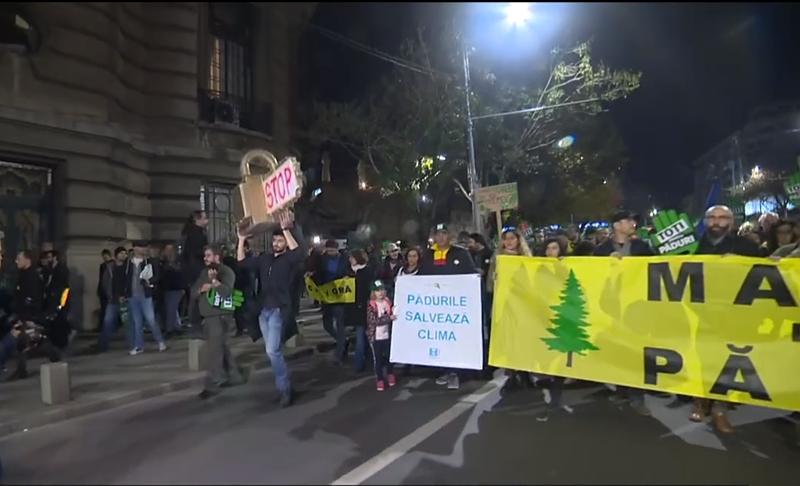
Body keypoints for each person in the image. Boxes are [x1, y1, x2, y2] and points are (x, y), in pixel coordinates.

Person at [690, 205, 761, 433]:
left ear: (731, 222)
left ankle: (720, 408)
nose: (716, 222)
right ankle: (700, 401)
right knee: (703, 357)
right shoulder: (691, 247)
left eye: (722, 218)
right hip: (701, 313)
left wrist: (740, 262)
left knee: (728, 362)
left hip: (734, 316)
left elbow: (767, 271)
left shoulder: (746, 246)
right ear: (705, 221)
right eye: (711, 217)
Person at [236, 210, 305, 408]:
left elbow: (299, 253)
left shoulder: (289, 260)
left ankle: (284, 390)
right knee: (272, 352)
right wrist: (241, 239)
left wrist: (286, 230)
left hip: (277, 311)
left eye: (280, 241)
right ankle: (284, 387)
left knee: (272, 350)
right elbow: (242, 263)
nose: (276, 243)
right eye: (275, 240)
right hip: (263, 312)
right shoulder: (264, 259)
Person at [593, 210, 654, 416]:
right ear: (617, 225)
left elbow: (656, 269)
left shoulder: (642, 247)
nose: (632, 224)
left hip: (637, 306)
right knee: (617, 349)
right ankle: (621, 389)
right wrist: (606, 264)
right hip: (611, 307)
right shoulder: (601, 250)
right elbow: (591, 275)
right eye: (628, 221)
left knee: (636, 351)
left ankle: (637, 396)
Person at [419, 223, 477, 390]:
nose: (441, 237)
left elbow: (470, 276)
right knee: (440, 338)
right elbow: (421, 277)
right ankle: (445, 370)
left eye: (444, 233)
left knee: (455, 338)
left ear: (449, 236)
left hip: (456, 307)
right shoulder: (428, 255)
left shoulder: (461, 253)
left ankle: (457, 372)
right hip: (437, 308)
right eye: (438, 234)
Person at [194, 245, 245, 400]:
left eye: (208, 255)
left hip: (220, 316)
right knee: (221, 347)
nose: (205, 258)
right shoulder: (203, 272)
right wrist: (201, 289)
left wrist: (214, 283)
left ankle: (213, 383)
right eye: (205, 256)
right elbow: (193, 291)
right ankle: (235, 376)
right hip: (208, 317)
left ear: (217, 257)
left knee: (214, 351)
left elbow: (227, 292)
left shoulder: (226, 272)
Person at [487, 227, 534, 392]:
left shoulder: (526, 258)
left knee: (522, 339)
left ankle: (526, 373)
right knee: (508, 339)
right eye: (506, 238)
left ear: (518, 240)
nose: (509, 241)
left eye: (512, 238)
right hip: (504, 303)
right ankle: (512, 374)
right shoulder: (498, 258)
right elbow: (491, 283)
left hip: (521, 304)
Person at [312, 239, 350, 364]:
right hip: (326, 295)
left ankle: (339, 353)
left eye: (332, 250)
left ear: (337, 249)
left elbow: (349, 272)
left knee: (340, 325)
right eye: (328, 250)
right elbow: (317, 274)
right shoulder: (321, 260)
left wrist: (347, 277)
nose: (330, 253)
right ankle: (343, 341)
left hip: (340, 296)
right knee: (327, 325)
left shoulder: (344, 259)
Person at [126, 240, 167, 355]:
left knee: (151, 319)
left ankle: (160, 341)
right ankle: (138, 345)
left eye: (145, 247)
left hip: (145, 295)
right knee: (137, 322)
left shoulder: (150, 261)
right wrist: (124, 293)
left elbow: (157, 276)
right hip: (132, 295)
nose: (144, 249)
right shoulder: (128, 263)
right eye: (141, 247)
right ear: (134, 248)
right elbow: (125, 278)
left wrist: (150, 282)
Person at [366, 279, 397, 391]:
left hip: (387, 335)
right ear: (373, 293)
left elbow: (393, 313)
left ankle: (390, 373)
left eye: (382, 290)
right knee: (378, 359)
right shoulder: (371, 305)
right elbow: (373, 321)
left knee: (389, 357)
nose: (381, 293)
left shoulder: (387, 302)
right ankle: (380, 379)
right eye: (377, 291)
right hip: (376, 337)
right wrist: (389, 318)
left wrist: (394, 311)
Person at [347, 249, 376, 372]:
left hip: (364, 307)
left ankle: (359, 363)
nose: (350, 260)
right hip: (354, 308)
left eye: (352, 257)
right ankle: (368, 360)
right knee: (363, 335)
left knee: (362, 335)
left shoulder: (366, 272)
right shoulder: (349, 272)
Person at [182, 210, 209, 333]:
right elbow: (197, 252)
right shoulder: (196, 235)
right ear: (197, 220)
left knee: (195, 296)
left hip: (191, 270)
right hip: (197, 270)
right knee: (197, 296)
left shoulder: (188, 233)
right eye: (204, 218)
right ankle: (196, 322)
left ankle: (195, 321)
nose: (207, 221)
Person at [98, 247, 129, 352]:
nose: (124, 255)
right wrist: (109, 295)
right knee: (107, 322)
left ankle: (133, 344)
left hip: (124, 300)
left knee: (128, 324)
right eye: (121, 253)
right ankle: (103, 345)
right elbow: (105, 282)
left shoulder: (127, 268)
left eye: (125, 254)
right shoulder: (110, 268)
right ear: (116, 255)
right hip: (112, 300)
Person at [161, 243, 185, 338]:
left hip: (176, 288)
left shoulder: (178, 261)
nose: (168, 252)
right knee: (171, 309)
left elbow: (181, 274)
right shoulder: (163, 262)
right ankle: (176, 327)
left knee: (171, 308)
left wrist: (183, 287)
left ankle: (170, 329)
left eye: (170, 249)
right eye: (167, 249)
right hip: (167, 288)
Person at [96, 249, 112, 331]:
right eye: (104, 257)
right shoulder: (103, 266)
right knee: (103, 309)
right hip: (103, 290)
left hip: (110, 291)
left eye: (106, 256)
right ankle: (102, 326)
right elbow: (101, 279)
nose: (105, 258)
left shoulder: (112, 265)